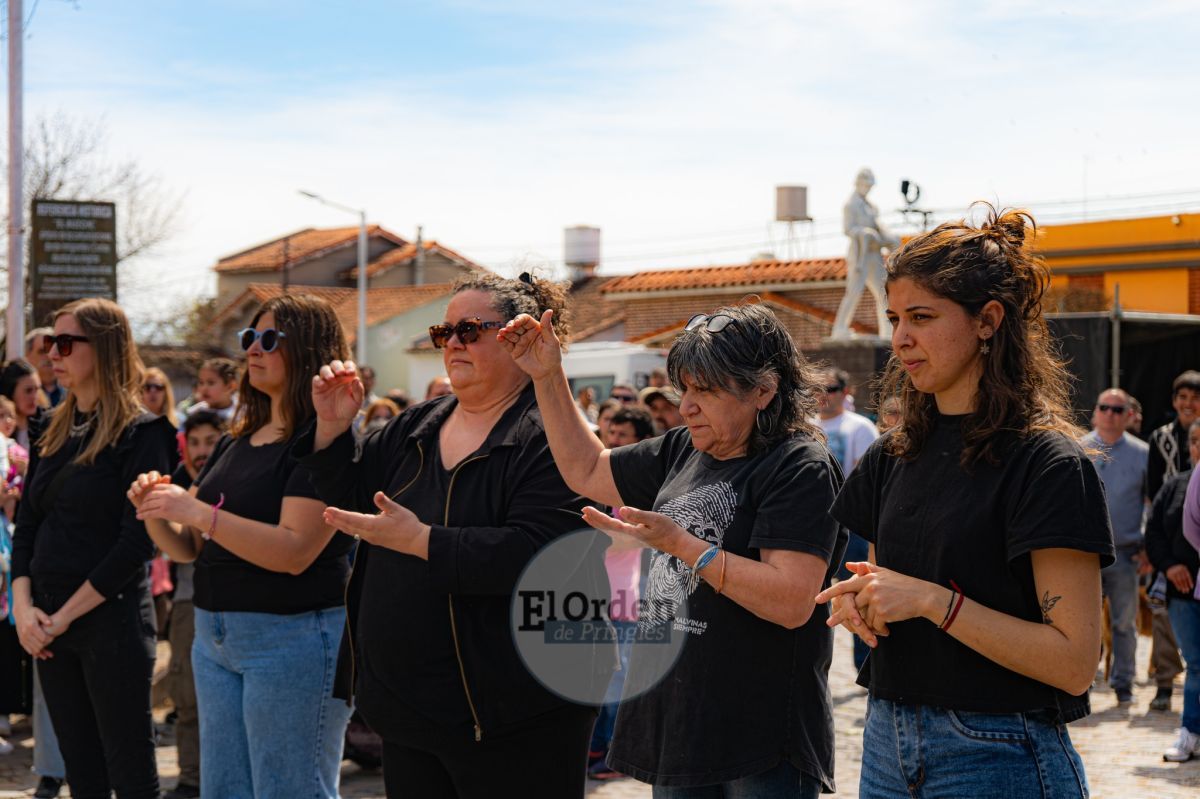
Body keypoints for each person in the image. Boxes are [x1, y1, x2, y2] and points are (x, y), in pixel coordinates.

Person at [816, 207, 1114, 798]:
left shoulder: (1048, 464)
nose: (901, 337)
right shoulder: (891, 455)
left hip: (999, 751)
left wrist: (931, 601)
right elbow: (884, 585)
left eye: (922, 318)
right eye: (895, 317)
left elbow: (1074, 660)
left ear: (988, 321)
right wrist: (866, 604)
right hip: (885, 739)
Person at [502, 301, 845, 796]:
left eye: (705, 389)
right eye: (685, 388)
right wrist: (548, 375)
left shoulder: (799, 466)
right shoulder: (684, 446)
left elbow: (791, 602)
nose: (686, 406)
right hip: (681, 724)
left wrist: (684, 546)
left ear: (764, 390)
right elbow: (586, 470)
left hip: (761, 740)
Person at [303, 272, 602, 799]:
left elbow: (545, 556)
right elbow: (352, 500)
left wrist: (424, 542)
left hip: (517, 716)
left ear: (519, 337)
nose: (454, 343)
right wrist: (331, 431)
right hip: (409, 710)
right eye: (446, 331)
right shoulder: (413, 426)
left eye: (470, 329)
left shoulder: (555, 437)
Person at [128, 295, 355, 799]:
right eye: (248, 338)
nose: (253, 348)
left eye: (269, 339)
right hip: (215, 636)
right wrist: (157, 509)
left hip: (291, 639)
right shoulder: (238, 438)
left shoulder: (323, 439)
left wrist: (197, 512)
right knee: (225, 791)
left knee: (289, 791)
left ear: (310, 351)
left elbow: (295, 552)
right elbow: (190, 547)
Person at [11, 298, 177, 799]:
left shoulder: (143, 432)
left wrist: (61, 617)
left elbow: (135, 545)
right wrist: (24, 610)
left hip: (111, 624)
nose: (51, 354)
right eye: (47, 344)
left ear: (103, 348)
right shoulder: (49, 428)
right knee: (81, 773)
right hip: (46, 624)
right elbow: (29, 523)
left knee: (129, 776)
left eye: (64, 343)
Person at [159, 408, 224, 799]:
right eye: (194, 443)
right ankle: (191, 776)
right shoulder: (179, 485)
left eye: (210, 442)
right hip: (187, 601)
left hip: (233, 606)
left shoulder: (239, 483)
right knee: (187, 698)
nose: (201, 452)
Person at [587, 404, 654, 782]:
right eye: (610, 433)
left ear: (641, 442)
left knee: (616, 679)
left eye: (622, 436)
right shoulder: (596, 481)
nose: (612, 442)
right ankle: (596, 748)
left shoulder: (642, 488)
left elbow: (633, 541)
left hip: (622, 598)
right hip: (591, 597)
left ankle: (610, 753)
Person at [1083, 387, 1149, 705]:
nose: (1110, 414)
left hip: (1125, 551)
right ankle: (1081, 680)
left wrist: (1148, 545)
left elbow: (1151, 504)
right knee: (1083, 619)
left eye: (1117, 409)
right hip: (1085, 554)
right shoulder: (1078, 448)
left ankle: (1123, 683)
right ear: (1095, 412)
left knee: (1124, 621)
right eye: (1104, 407)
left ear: (1129, 416)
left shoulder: (1142, 453)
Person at [816, 366, 879, 675]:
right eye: (818, 390)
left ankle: (865, 665)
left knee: (855, 592)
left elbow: (867, 482)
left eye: (830, 390)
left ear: (844, 393)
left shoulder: (860, 428)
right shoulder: (807, 426)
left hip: (851, 526)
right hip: (815, 524)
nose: (823, 397)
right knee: (820, 594)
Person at [1146, 420, 1200, 762]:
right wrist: (1170, 566)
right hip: (1183, 593)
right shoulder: (1175, 486)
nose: (1198, 447)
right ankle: (1190, 731)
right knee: (1196, 663)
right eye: (1194, 441)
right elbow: (1154, 534)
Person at [0, 360, 45, 451]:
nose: (34, 397)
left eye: (37, 389)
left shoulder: (47, 425)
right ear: (11, 392)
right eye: (28, 391)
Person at [185, 357, 239, 426]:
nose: (204, 388)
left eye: (211, 383)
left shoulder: (243, 414)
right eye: (201, 382)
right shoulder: (194, 413)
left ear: (230, 386)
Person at [24, 329, 63, 408]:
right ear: (27, 356)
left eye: (54, 351)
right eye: (42, 351)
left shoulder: (72, 392)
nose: (49, 356)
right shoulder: (20, 393)